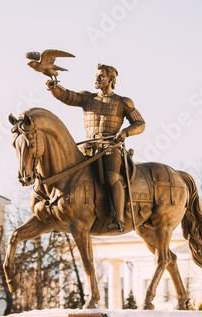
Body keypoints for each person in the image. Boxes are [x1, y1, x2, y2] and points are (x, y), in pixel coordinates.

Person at [46, 63, 145, 232]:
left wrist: (125, 132)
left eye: (101, 76)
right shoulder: (88, 98)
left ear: (111, 79)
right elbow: (68, 97)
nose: (97, 78)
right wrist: (54, 87)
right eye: (97, 75)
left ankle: (119, 219)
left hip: (109, 149)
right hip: (88, 149)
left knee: (112, 176)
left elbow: (140, 123)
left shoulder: (123, 102)